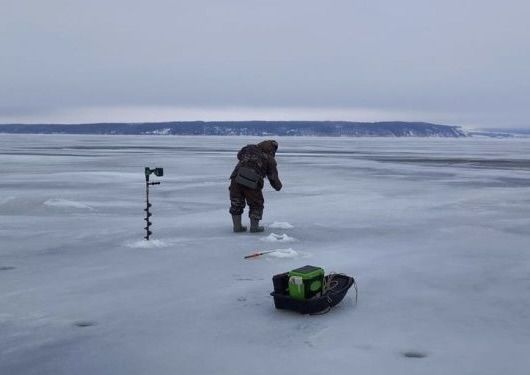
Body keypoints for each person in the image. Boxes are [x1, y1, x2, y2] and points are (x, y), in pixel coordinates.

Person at [229, 140, 282, 233]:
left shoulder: (248, 148)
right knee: (256, 204)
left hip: (236, 179)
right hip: (252, 184)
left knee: (236, 203)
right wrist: (278, 186)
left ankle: (237, 227)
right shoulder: (269, 159)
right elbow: (273, 177)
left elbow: (239, 156)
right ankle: (254, 228)